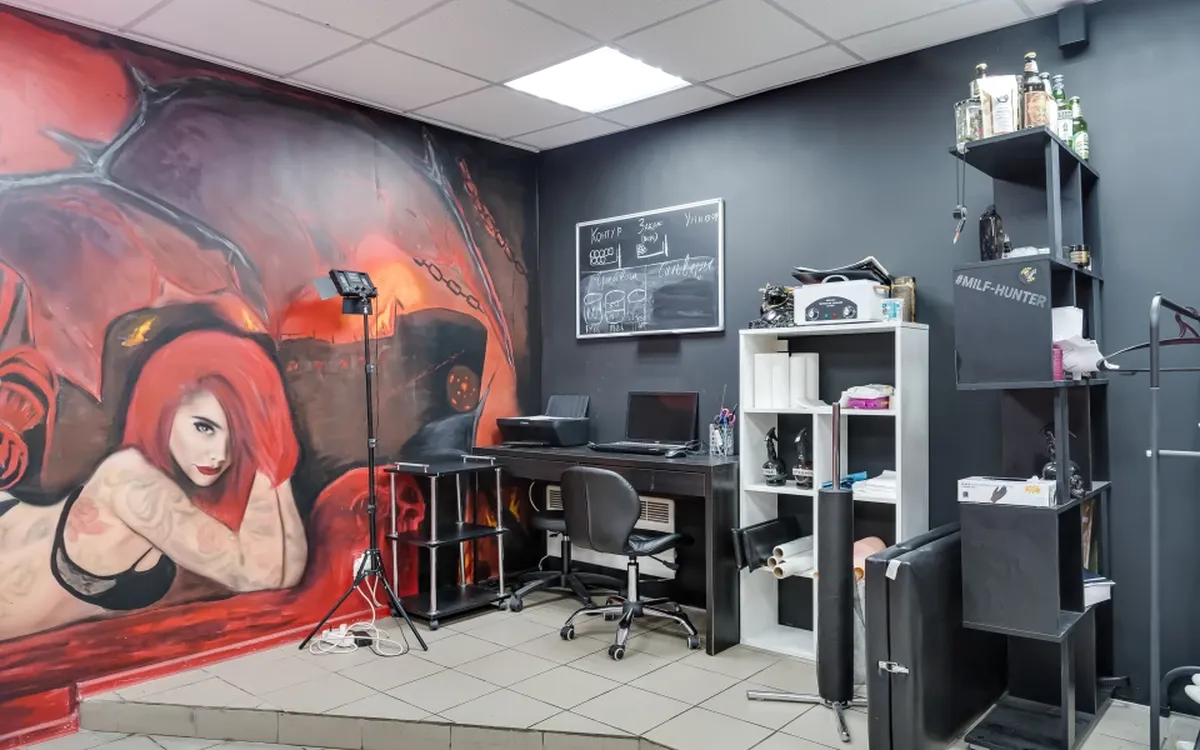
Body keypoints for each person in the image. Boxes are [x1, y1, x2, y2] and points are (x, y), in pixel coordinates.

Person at [0, 330, 303, 641]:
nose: (221, 454)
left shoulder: (170, 481)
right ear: (164, 409)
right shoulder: (130, 479)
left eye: (238, 436)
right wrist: (268, 447)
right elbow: (265, 574)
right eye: (204, 427)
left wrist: (264, 435)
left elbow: (285, 572)